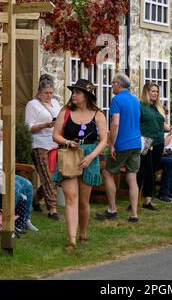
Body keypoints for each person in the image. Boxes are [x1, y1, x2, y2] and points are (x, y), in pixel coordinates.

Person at [53, 78, 107, 249]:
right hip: (70, 156)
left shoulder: (98, 114)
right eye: (73, 92)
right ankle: (72, 239)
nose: (73, 95)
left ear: (87, 95)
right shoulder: (65, 111)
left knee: (83, 201)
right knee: (70, 198)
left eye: (77, 92)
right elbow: (55, 135)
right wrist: (68, 142)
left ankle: (83, 232)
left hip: (88, 158)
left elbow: (104, 140)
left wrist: (91, 157)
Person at [95, 73, 141, 222]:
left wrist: (111, 144)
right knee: (132, 177)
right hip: (136, 143)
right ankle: (134, 214)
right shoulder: (135, 100)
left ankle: (112, 209)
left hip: (123, 143)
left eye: (112, 83)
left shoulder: (116, 99)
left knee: (108, 172)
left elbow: (115, 123)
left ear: (117, 84)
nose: (111, 86)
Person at [25, 74, 61, 220]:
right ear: (39, 92)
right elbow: (28, 126)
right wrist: (44, 125)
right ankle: (52, 208)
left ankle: (36, 199)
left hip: (55, 143)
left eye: (51, 93)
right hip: (39, 144)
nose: (49, 95)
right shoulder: (32, 104)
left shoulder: (56, 103)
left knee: (56, 176)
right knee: (46, 176)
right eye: (46, 93)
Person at [137, 82, 172, 210]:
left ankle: (147, 201)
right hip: (146, 142)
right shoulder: (140, 106)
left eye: (157, 91)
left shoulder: (158, 107)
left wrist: (169, 128)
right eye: (152, 91)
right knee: (143, 171)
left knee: (151, 171)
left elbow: (160, 124)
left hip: (159, 142)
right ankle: (134, 200)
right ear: (146, 92)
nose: (155, 94)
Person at [0, 120, 38, 233]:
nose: (1, 133)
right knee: (15, 186)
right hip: (1, 175)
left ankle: (25, 220)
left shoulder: (5, 144)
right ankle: (7, 220)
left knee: (27, 184)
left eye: (2, 130)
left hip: (5, 173)